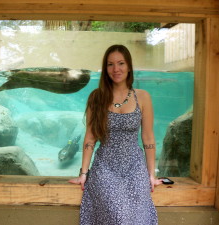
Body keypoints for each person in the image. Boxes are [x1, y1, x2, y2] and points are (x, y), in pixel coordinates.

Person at [69, 44, 163, 225]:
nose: (116, 69)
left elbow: (148, 138)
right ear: (105, 69)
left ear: (129, 66)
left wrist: (151, 174)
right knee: (117, 215)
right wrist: (83, 173)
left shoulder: (142, 97)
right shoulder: (96, 97)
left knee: (136, 217)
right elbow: (90, 138)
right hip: (105, 167)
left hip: (134, 167)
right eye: (110, 64)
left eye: (121, 63)